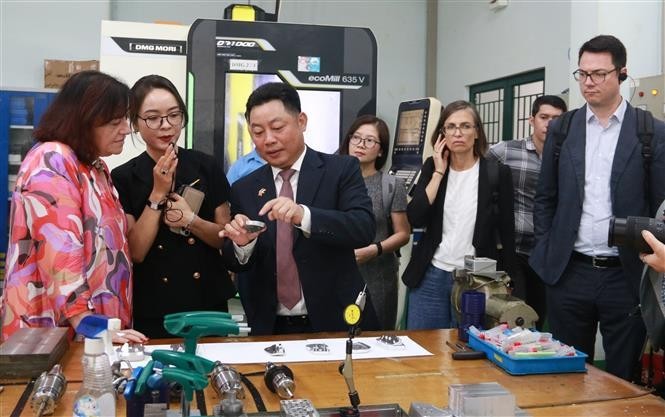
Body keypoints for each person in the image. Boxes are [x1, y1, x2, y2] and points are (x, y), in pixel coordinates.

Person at [530, 35, 665, 381]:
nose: (588, 82)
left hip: (627, 274)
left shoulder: (651, 133)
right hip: (569, 272)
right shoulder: (563, 129)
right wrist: (547, 249)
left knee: (621, 376)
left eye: (599, 74)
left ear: (621, 74)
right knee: (564, 376)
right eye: (583, 74)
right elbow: (545, 197)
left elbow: (660, 206)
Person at [220, 82, 379, 335]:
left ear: (301, 121)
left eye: (277, 127)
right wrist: (242, 245)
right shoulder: (244, 188)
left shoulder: (340, 170)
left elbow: (363, 228)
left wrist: (303, 215)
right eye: (258, 132)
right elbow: (236, 263)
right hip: (270, 326)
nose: (268, 140)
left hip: (336, 319)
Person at [1, 71, 146, 344]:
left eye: (125, 119)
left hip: (96, 330)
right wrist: (88, 322)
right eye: (116, 122)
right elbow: (60, 250)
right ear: (84, 121)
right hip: (56, 332)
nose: (126, 129)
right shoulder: (53, 159)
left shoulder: (95, 167)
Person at [111, 75, 235, 338]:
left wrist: (191, 221)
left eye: (173, 115)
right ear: (134, 123)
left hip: (207, 302)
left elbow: (225, 239)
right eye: (153, 118)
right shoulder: (123, 177)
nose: (165, 125)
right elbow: (135, 252)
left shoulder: (206, 166)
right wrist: (157, 194)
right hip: (155, 307)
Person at [403, 100, 515, 330]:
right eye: (451, 127)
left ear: (476, 132)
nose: (458, 133)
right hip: (431, 274)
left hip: (478, 277)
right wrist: (438, 171)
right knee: (424, 351)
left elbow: (507, 231)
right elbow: (416, 217)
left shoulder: (497, 173)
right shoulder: (431, 168)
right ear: (442, 134)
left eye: (465, 126)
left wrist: (512, 279)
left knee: (471, 351)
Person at [486, 95, 567, 329]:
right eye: (544, 117)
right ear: (532, 120)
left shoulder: (569, 158)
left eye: (556, 119)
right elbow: (479, 176)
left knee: (538, 316)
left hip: (547, 252)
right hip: (512, 249)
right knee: (513, 315)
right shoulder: (506, 151)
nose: (549, 124)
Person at [340, 115, 411, 330]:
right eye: (356, 138)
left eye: (369, 140)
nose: (361, 144)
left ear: (381, 150)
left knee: (376, 338)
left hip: (378, 277)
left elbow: (403, 233)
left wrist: (374, 250)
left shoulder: (390, 185)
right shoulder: (333, 180)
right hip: (338, 274)